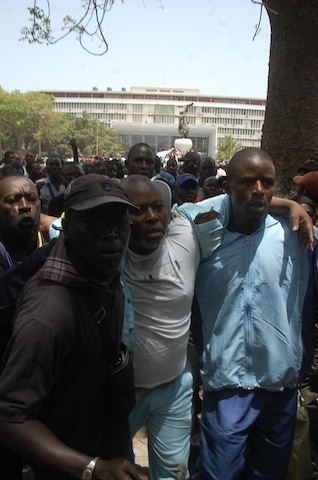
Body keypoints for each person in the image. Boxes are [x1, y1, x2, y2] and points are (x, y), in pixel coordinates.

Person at [0, 174, 147, 480]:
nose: (110, 235)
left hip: (107, 437)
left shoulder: (100, 269)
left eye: (118, 222)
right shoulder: (46, 316)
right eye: (94, 224)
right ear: (67, 228)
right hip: (69, 462)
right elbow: (11, 419)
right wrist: (91, 467)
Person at [179, 148, 311, 480]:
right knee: (218, 473)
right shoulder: (204, 235)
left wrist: (292, 208)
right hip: (227, 385)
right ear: (227, 187)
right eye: (247, 182)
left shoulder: (296, 237)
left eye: (267, 183)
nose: (259, 190)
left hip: (279, 385)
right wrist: (289, 202)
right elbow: (179, 212)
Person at [122, 175, 199, 480]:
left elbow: (237, 201)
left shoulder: (187, 238)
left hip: (174, 387)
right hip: (121, 394)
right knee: (114, 466)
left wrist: (289, 204)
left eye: (158, 207)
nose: (152, 217)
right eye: (138, 210)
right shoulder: (105, 253)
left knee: (174, 473)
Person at [0, 174, 56, 479]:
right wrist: (42, 259)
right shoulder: (47, 250)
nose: (24, 207)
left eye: (30, 200)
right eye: (12, 201)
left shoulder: (49, 238)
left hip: (45, 378)